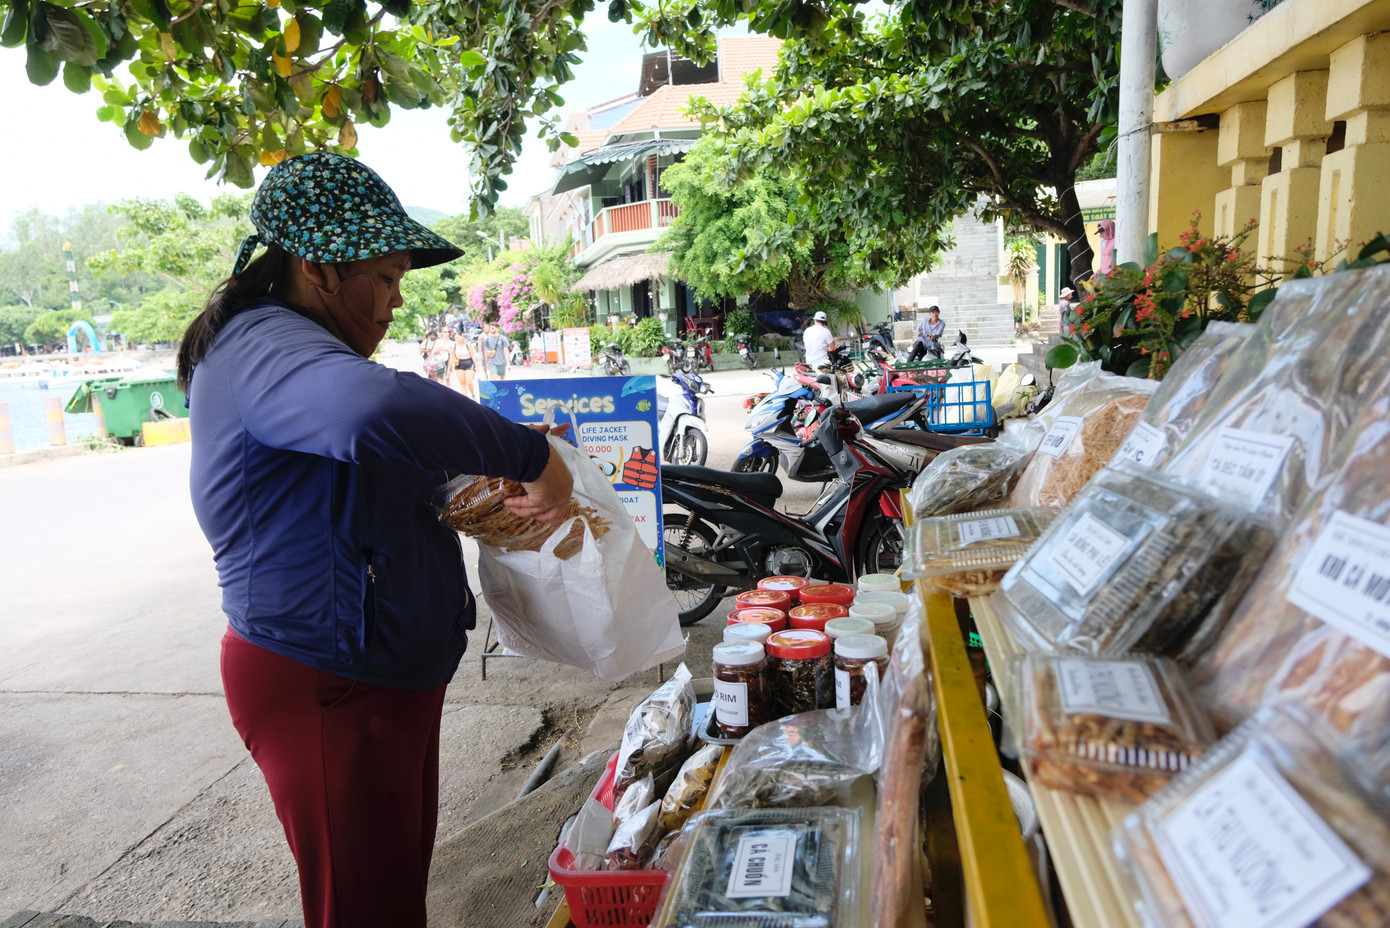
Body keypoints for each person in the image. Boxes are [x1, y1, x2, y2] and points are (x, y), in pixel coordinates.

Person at [174, 153, 573, 928]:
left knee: (390, 900)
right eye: (385, 279)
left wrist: (464, 479)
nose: (394, 303)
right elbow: (366, 413)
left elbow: (355, 474)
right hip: (324, 681)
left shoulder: (295, 348)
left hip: (377, 672)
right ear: (318, 267)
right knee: (365, 912)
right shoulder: (265, 348)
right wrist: (529, 457)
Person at [452, 325, 479, 400]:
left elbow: (473, 356)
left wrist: (476, 366)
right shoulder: (454, 346)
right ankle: (466, 399)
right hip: (459, 364)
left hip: (468, 363)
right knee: (462, 384)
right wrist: (449, 368)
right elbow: (452, 357)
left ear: (462, 337)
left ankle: (473, 394)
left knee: (469, 382)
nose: (457, 339)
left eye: (458, 337)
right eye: (455, 338)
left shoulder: (468, 345)